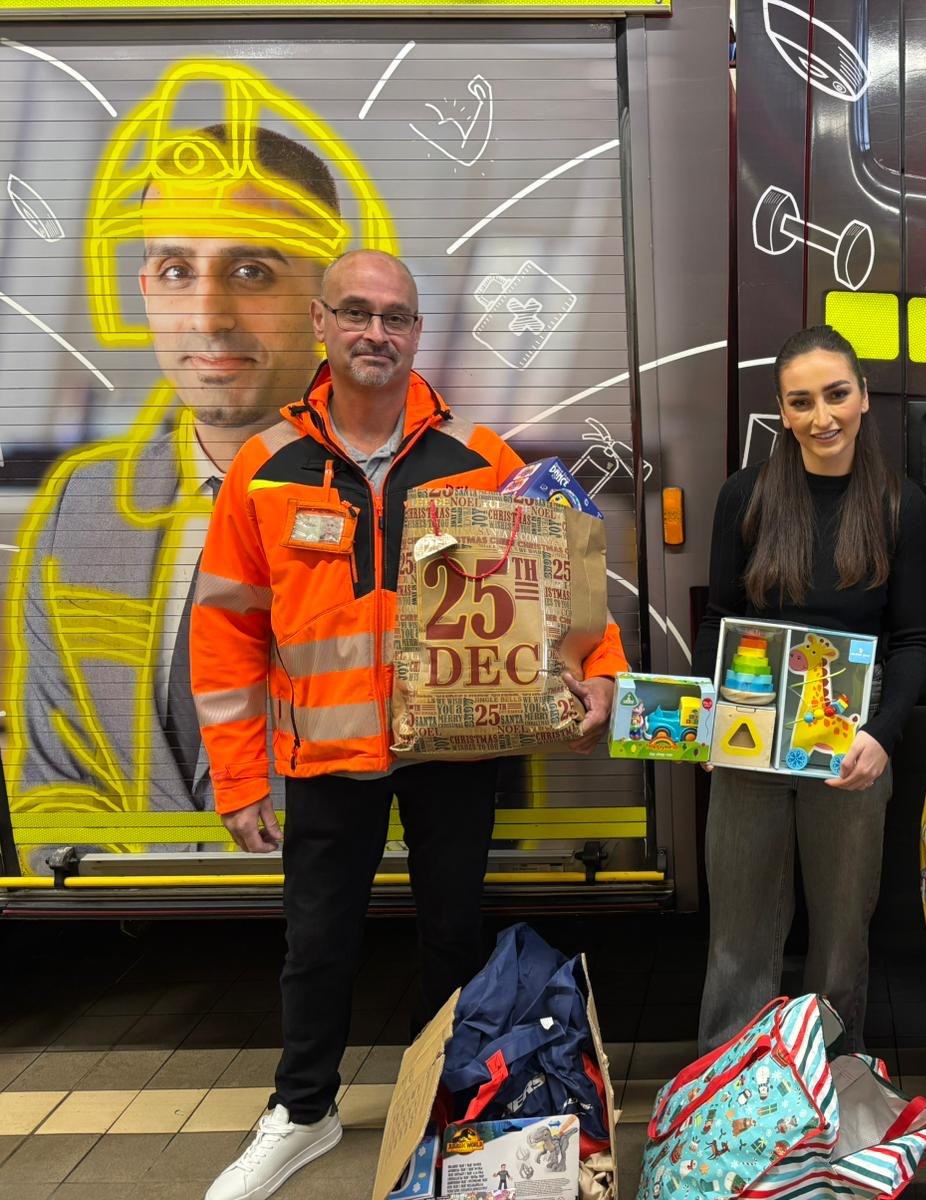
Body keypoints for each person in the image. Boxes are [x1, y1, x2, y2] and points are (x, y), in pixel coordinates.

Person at [196, 249, 627, 1200]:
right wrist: (236, 777)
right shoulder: (266, 466)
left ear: (417, 333)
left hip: (452, 753)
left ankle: (448, 1109)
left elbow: (570, 575)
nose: (375, 332)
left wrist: (603, 671)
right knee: (318, 945)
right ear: (321, 323)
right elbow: (226, 630)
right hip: (323, 758)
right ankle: (302, 1112)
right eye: (356, 313)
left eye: (394, 317)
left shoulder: (480, 458)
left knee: (452, 938)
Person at [5, 118, 391, 826]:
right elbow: (52, 779)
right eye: (178, 270)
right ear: (146, 287)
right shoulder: (83, 506)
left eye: (252, 272)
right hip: (131, 926)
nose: (208, 317)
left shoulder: (418, 497)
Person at [692, 325, 926, 1054]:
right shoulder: (747, 496)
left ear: (863, 396)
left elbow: (914, 642)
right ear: (782, 411)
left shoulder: (900, 506)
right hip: (751, 728)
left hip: (852, 738)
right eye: (802, 402)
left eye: (836, 394)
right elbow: (717, 619)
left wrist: (880, 739)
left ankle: (832, 1082)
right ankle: (727, 1095)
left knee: (840, 932)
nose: (822, 416)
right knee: (739, 931)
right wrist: (711, 715)